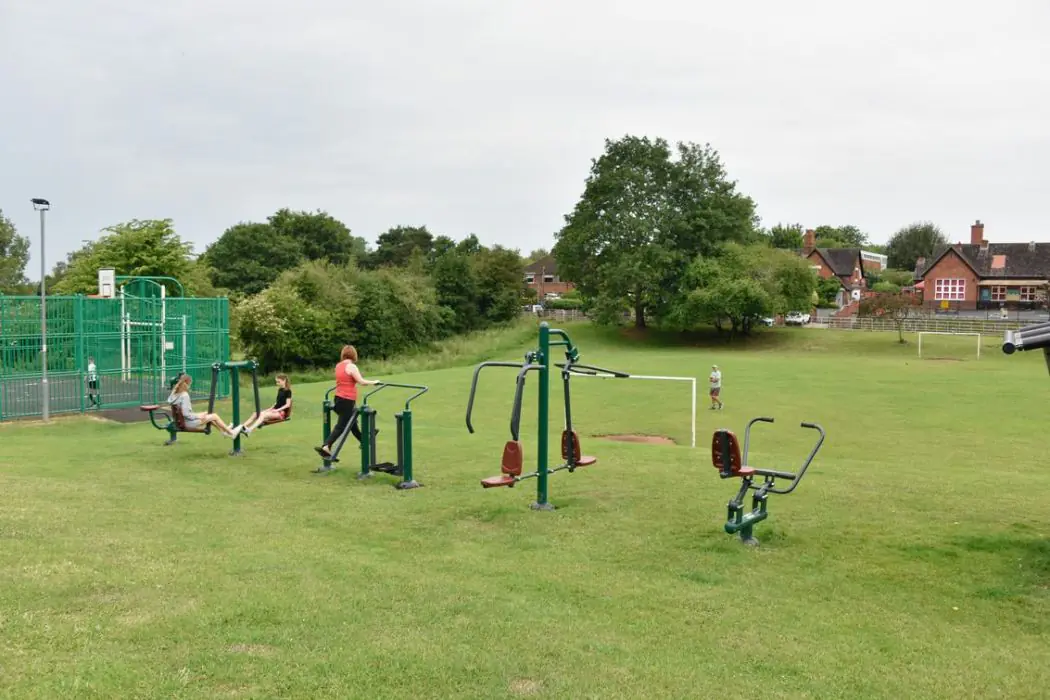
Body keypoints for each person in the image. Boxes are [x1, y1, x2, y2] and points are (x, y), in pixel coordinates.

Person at [314, 345, 380, 460]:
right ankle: (326, 446)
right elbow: (361, 382)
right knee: (341, 426)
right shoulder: (351, 366)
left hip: (338, 399)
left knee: (352, 425)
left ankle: (364, 440)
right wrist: (374, 382)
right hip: (347, 400)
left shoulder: (338, 366)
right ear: (354, 355)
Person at [167, 373, 241, 438]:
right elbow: (186, 414)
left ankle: (224, 431)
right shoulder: (184, 395)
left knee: (209, 416)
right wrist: (199, 416)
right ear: (186, 384)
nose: (190, 387)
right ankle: (232, 433)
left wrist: (200, 414)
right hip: (187, 423)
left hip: (178, 422)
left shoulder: (173, 394)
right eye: (190, 384)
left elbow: (172, 402)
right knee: (214, 416)